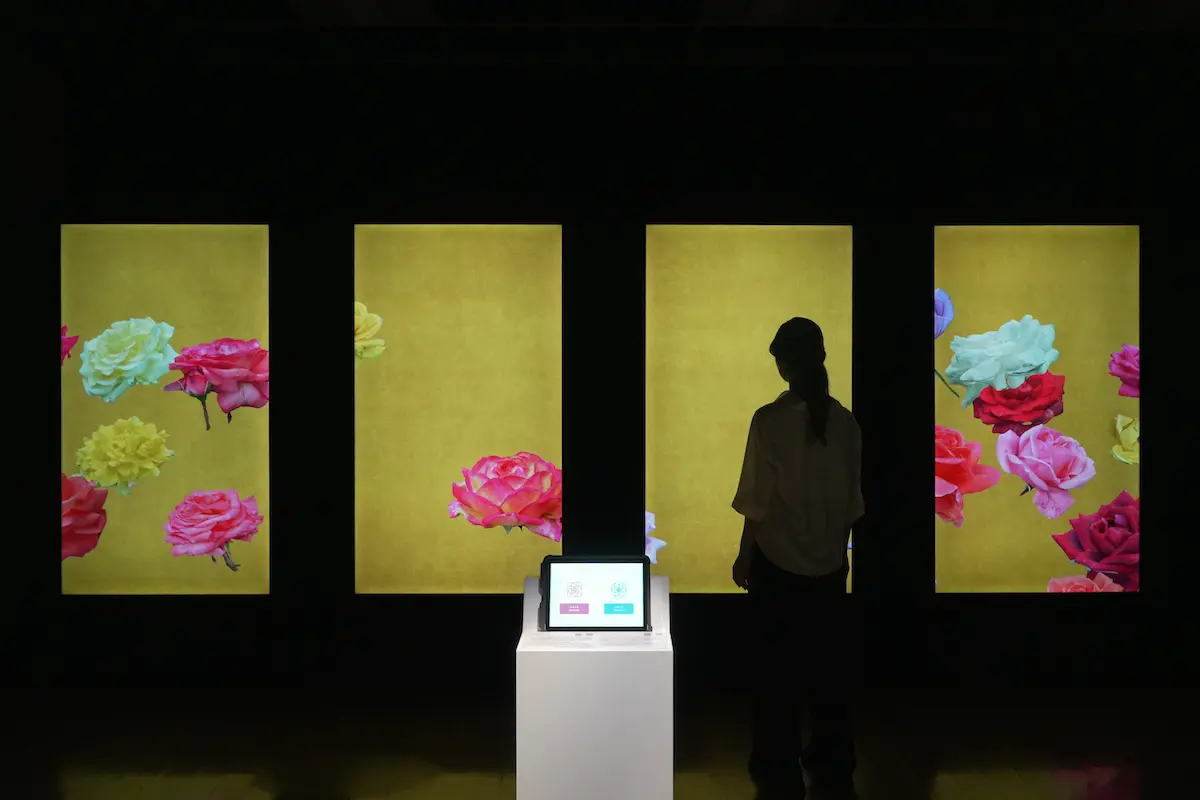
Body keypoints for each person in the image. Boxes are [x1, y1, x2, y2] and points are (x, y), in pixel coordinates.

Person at [731, 317, 864, 800]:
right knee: (829, 673)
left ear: (783, 364)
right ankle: (832, 756)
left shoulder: (770, 421)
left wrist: (744, 555)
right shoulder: (845, 423)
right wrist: (837, 555)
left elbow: (758, 500)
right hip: (829, 564)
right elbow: (851, 504)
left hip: (778, 563)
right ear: (821, 357)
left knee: (775, 674)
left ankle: (776, 761)